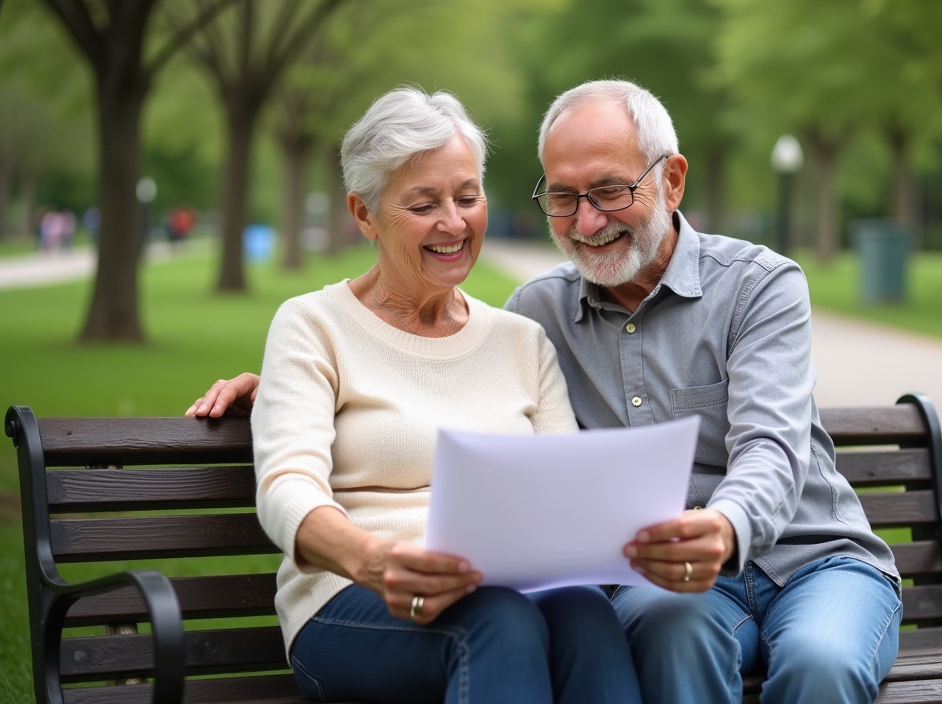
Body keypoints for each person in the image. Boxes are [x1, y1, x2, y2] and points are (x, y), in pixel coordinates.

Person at [192, 80, 903, 704]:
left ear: (672, 181)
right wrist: (283, 391)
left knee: (600, 620)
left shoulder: (531, 332)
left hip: (804, 557)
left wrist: (717, 529)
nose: (588, 220)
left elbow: (594, 484)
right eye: (565, 198)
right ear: (363, 214)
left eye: (467, 197)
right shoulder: (514, 314)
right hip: (373, 594)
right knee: (576, 625)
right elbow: (297, 472)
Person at [188, 87, 641, 704]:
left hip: (502, 589)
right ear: (364, 213)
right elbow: (285, 488)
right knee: (497, 622)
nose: (453, 222)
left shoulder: (522, 341)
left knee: (584, 614)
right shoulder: (312, 325)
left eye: (467, 197)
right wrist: (375, 561)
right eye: (424, 203)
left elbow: (560, 500)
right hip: (354, 599)